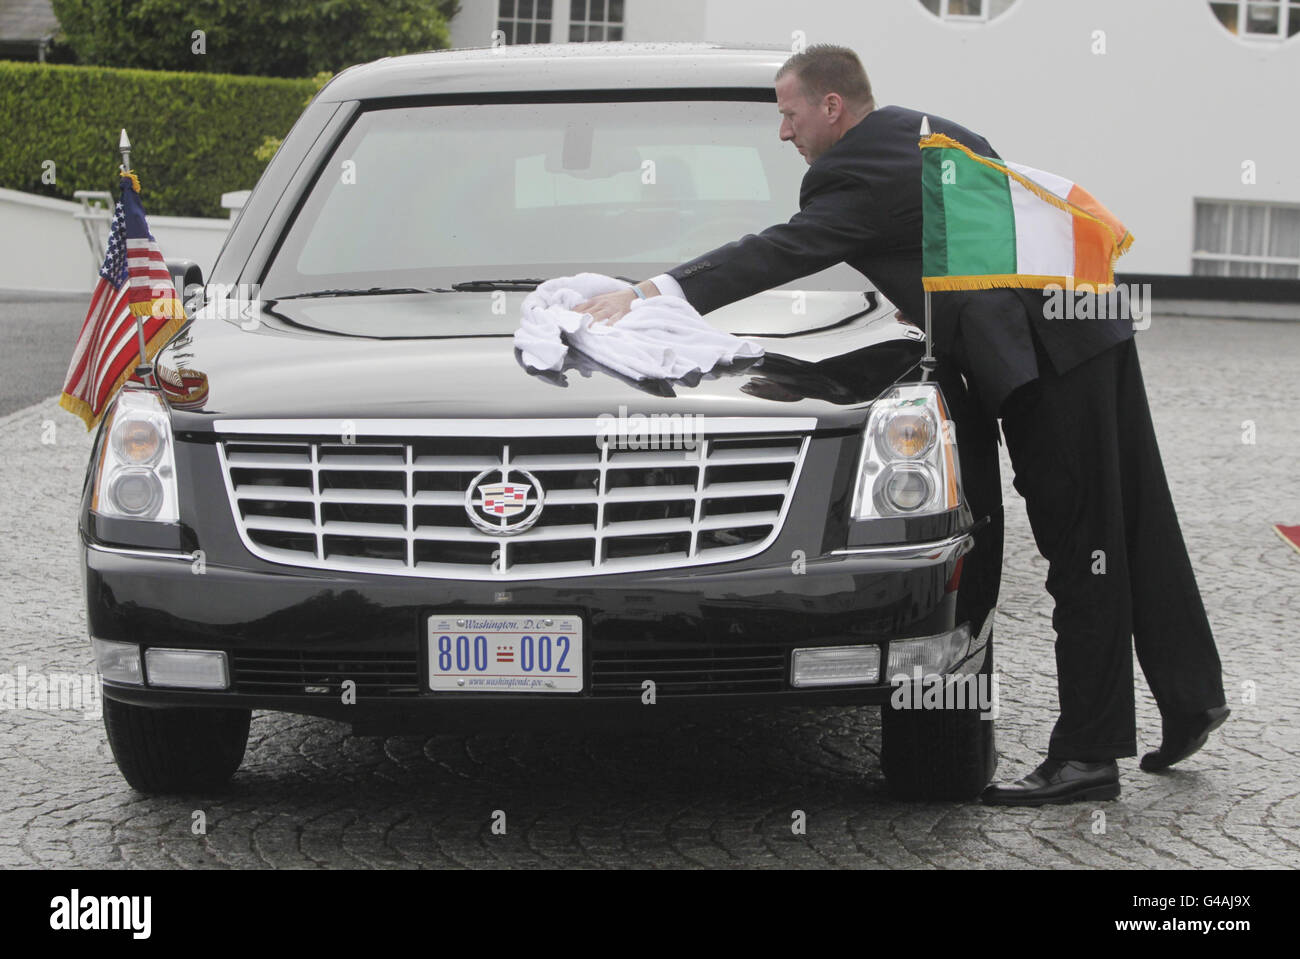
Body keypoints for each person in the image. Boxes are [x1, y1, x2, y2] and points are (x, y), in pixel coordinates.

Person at [576, 44, 1228, 805]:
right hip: (1087, 326)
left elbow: (782, 250)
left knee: (1082, 548)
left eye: (788, 114)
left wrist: (655, 292)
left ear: (831, 107)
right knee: (1135, 523)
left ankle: (1088, 756)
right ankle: (1191, 698)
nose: (783, 133)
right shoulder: (924, 132)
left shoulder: (852, 172)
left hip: (1052, 358)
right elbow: (948, 245)